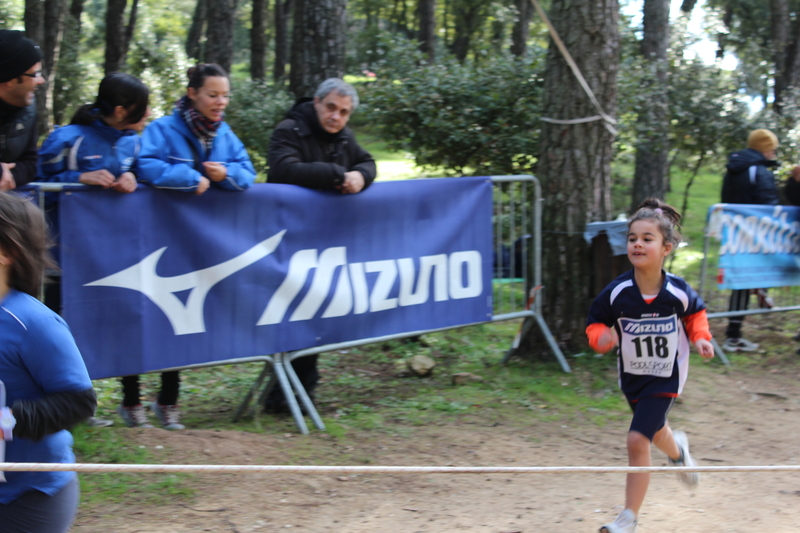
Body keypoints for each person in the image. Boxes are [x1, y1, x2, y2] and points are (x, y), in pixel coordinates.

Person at [135, 63, 256, 428]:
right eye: (213, 95)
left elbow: (247, 172)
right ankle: (130, 398)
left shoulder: (225, 134)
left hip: (196, 243)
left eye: (225, 96)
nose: (221, 102)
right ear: (192, 94)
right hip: (154, 237)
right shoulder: (161, 128)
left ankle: (169, 400)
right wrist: (190, 177)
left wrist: (227, 174)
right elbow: (145, 165)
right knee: (144, 312)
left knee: (183, 314)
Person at [586, 198, 714, 533]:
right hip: (632, 377)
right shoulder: (618, 293)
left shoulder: (677, 291)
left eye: (647, 238)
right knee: (654, 431)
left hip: (666, 376)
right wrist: (600, 337)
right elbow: (596, 322)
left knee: (636, 440)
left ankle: (628, 518)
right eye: (632, 238)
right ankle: (678, 453)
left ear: (666, 248)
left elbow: (696, 315)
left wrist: (700, 337)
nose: (638, 244)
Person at [37, 72, 150, 428]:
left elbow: (145, 175)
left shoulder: (133, 142)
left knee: (125, 319)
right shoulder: (66, 139)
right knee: (62, 329)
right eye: (141, 109)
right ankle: (64, 406)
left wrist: (136, 179)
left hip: (117, 254)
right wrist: (76, 179)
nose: (147, 116)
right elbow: (32, 185)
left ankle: (131, 401)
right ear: (120, 110)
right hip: (64, 256)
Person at [265, 78, 377, 412]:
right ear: (316, 102)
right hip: (286, 240)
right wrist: (337, 174)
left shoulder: (345, 138)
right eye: (331, 107)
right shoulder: (289, 129)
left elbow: (367, 162)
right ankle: (281, 396)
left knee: (315, 314)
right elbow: (284, 169)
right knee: (290, 316)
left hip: (324, 243)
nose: (336, 116)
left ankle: (301, 395)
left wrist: (360, 175)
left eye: (344, 112)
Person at [0, 192, 96, 532]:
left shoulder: (34, 323)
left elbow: (79, 402)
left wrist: (7, 421)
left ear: (5, 252)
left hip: (29, 495)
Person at [719, 129, 782, 352]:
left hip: (736, 234)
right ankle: (762, 289)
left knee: (740, 284)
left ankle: (733, 335)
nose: (774, 152)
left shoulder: (733, 169)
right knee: (774, 264)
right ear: (765, 148)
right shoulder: (759, 171)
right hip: (759, 235)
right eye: (772, 148)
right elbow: (769, 204)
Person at [0, 30, 45, 192]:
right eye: (35, 74)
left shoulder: (28, 109)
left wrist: (8, 176)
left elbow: (30, 163)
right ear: (11, 79)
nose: (41, 80)